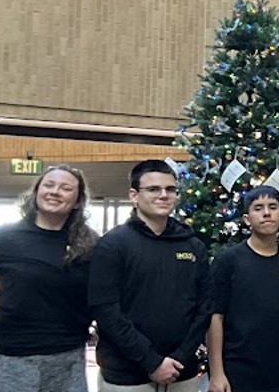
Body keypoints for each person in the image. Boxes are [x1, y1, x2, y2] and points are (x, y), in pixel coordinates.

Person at [0, 165, 97, 392]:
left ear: (77, 201)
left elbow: (101, 292)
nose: (55, 192)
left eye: (66, 188)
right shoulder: (4, 238)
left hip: (67, 359)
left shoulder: (90, 244)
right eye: (48, 185)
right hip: (9, 357)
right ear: (36, 192)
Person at [89, 160, 210, 392]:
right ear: (134, 195)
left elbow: (204, 307)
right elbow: (106, 310)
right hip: (127, 374)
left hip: (181, 370)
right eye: (154, 189)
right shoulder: (113, 245)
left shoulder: (194, 246)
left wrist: (182, 356)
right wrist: (151, 361)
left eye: (170, 189)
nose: (164, 195)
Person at [206, 186, 279, 392]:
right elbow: (215, 317)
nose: (266, 213)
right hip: (239, 373)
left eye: (273, 207)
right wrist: (217, 373)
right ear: (246, 219)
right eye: (258, 208)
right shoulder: (228, 261)